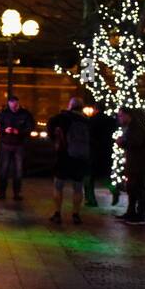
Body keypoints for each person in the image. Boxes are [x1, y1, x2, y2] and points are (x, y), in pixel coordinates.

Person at [46, 96, 90, 224]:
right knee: (78, 187)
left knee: (58, 185)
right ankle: (76, 214)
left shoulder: (61, 117)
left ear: (69, 105)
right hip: (81, 157)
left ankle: (57, 213)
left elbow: (50, 129)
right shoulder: (86, 120)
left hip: (64, 156)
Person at [116, 106, 145, 225]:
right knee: (132, 189)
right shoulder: (133, 126)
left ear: (128, 115)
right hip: (135, 163)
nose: (119, 118)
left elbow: (135, 143)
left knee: (138, 189)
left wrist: (121, 142)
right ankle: (131, 212)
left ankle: (139, 216)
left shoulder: (135, 127)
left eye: (121, 115)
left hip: (137, 164)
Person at [0, 94, 34, 199]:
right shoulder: (7, 114)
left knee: (15, 170)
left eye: (15, 105)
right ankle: (8, 192)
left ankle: (11, 193)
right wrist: (5, 130)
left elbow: (30, 127)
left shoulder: (10, 114)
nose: (13, 107)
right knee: (8, 169)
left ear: (17, 103)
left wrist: (17, 132)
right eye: (12, 105)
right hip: (10, 143)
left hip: (15, 144)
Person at [85, 103, 120, 207]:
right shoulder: (111, 120)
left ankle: (92, 200)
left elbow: (88, 135)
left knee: (89, 177)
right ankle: (114, 190)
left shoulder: (91, 120)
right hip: (107, 151)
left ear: (95, 109)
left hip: (93, 151)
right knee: (105, 176)